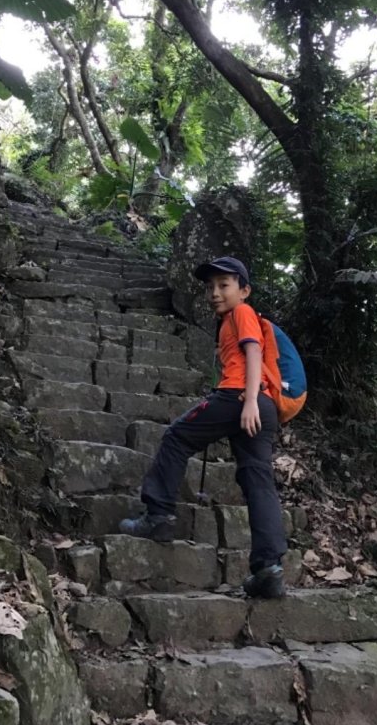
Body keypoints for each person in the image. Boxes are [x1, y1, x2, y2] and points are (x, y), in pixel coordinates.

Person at [119, 256, 288, 599]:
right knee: (257, 479)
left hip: (242, 398)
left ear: (244, 290)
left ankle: (158, 515)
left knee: (177, 437)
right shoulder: (230, 319)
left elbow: (253, 352)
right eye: (211, 287)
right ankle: (269, 567)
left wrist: (250, 399)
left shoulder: (242, 313)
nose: (215, 292)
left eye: (224, 285)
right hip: (261, 404)